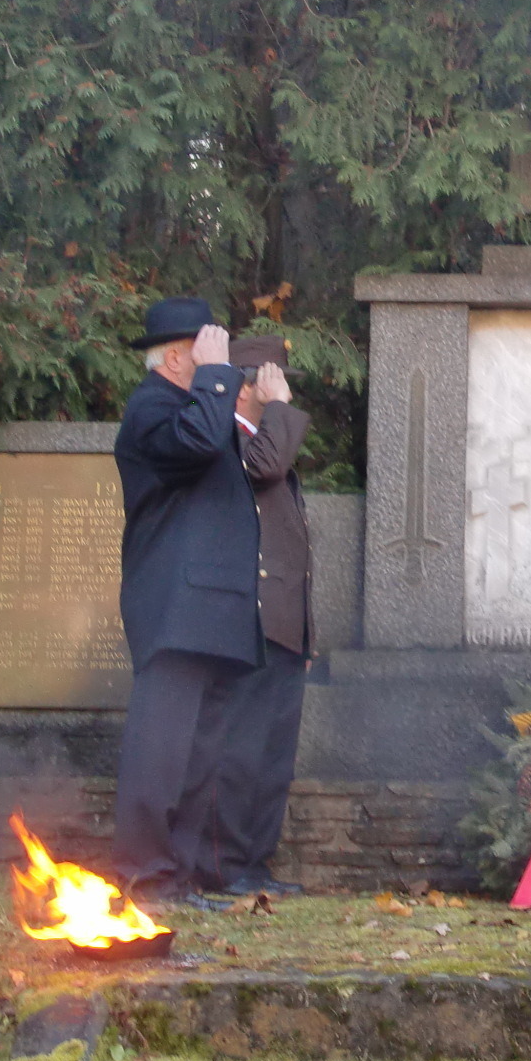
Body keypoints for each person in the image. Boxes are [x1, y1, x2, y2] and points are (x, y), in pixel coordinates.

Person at [109, 297, 262, 908]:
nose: (224, 364)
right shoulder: (152, 407)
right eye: (207, 351)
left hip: (213, 611)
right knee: (161, 753)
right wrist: (218, 376)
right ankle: (145, 875)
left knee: (199, 757)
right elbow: (196, 443)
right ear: (176, 357)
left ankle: (178, 877)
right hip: (176, 608)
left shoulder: (197, 407)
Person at [201, 337, 316, 900]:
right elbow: (264, 467)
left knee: (273, 760)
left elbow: (295, 552)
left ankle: (254, 861)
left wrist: (304, 635)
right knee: (240, 754)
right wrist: (280, 408)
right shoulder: (227, 439)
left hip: (282, 632)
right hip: (248, 626)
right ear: (247, 386)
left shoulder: (267, 440)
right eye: (273, 380)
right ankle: (224, 866)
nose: (281, 389)